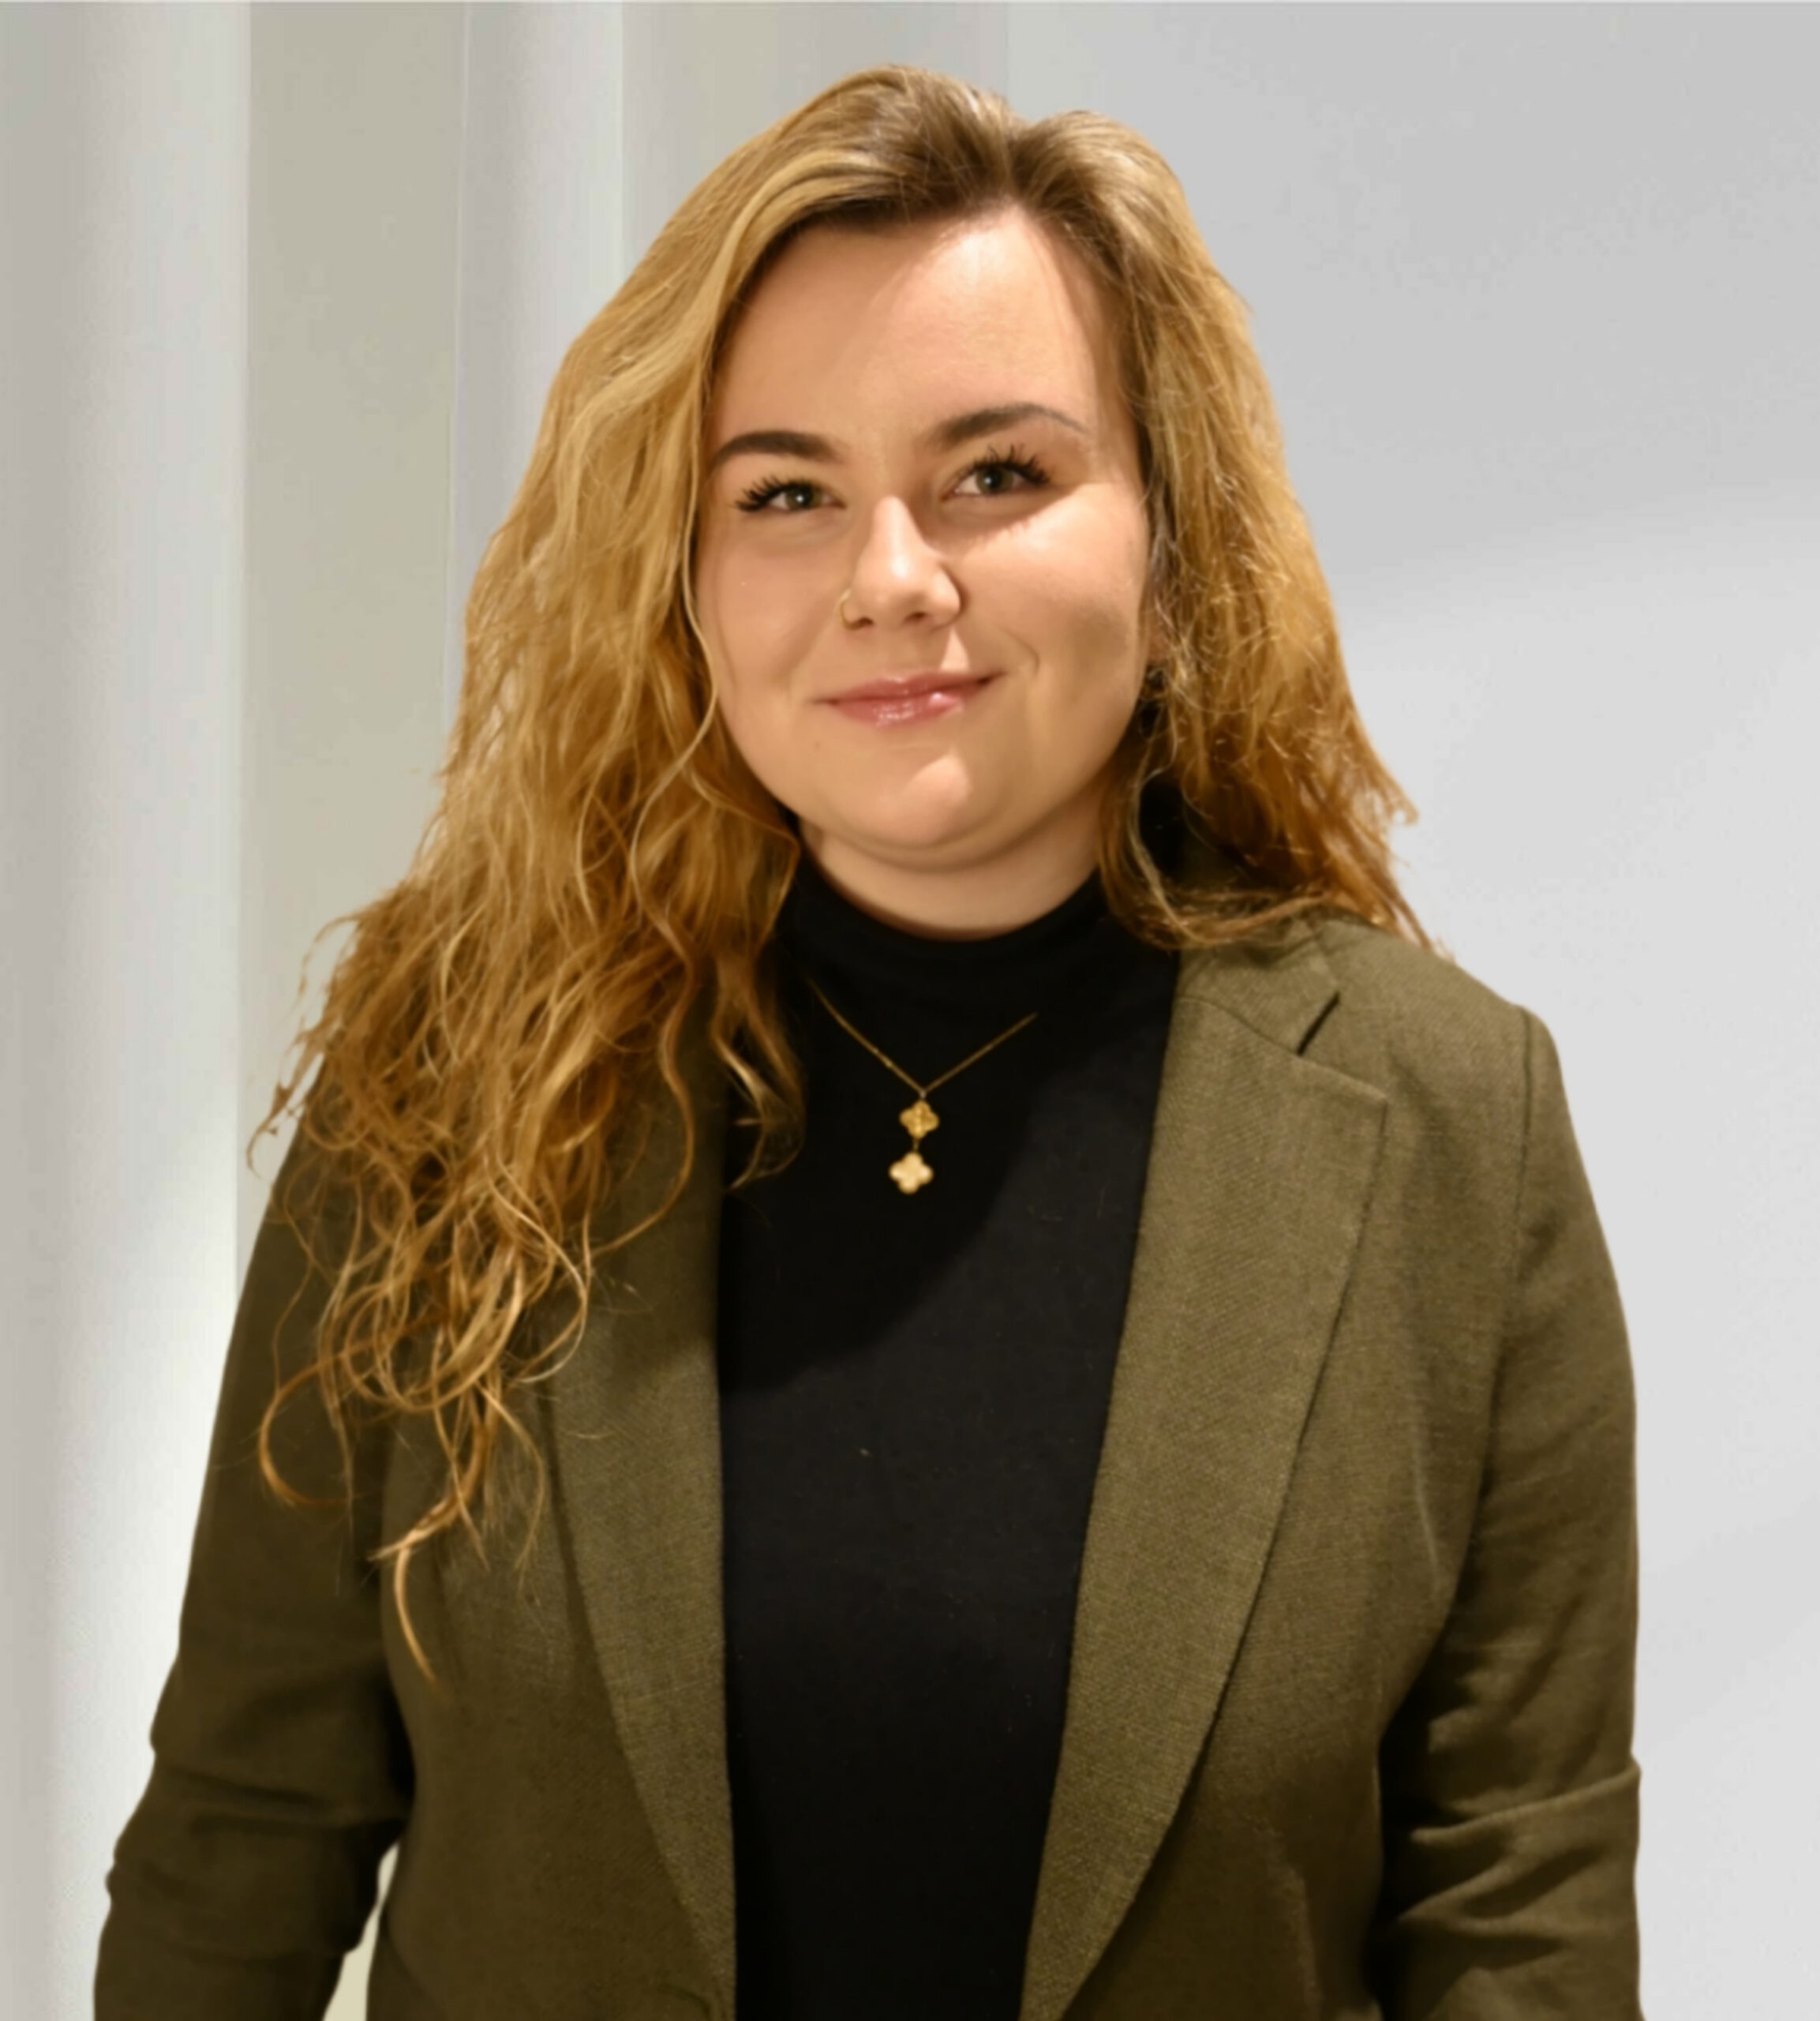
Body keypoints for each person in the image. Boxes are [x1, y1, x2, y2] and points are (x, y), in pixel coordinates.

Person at [95, 62, 1642, 2021]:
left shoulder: (1446, 1123)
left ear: (1169, 539)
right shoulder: (449, 1076)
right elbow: (241, 1839)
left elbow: (1517, 1909)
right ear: (683, 575)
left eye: (998, 474)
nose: (891, 577)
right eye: (786, 494)